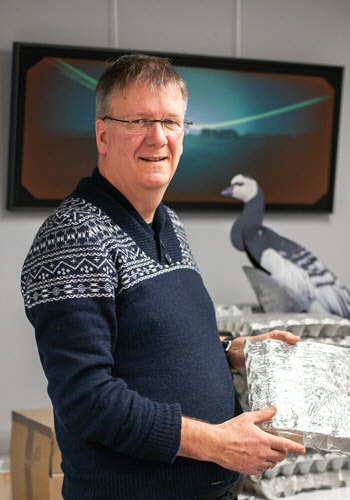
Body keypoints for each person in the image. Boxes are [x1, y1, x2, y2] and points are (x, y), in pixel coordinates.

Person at [21, 54, 305, 500]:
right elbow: (87, 400)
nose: (158, 137)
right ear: (103, 134)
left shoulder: (168, 222)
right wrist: (216, 443)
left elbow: (153, 345)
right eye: (138, 121)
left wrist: (231, 352)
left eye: (171, 122)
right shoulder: (74, 236)